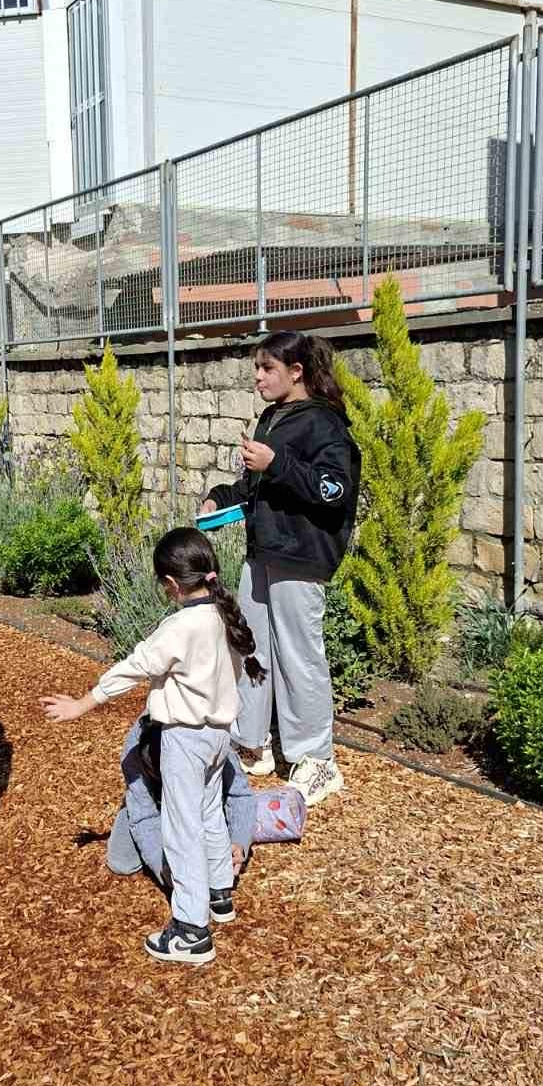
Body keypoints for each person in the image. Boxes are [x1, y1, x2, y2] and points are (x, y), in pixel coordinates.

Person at [42, 527, 264, 966]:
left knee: (181, 829)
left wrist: (84, 702)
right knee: (208, 813)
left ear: (170, 584)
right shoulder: (224, 614)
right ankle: (219, 893)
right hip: (219, 737)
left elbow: (135, 666)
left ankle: (192, 931)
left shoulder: (180, 627)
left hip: (185, 738)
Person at [201, 330, 359, 808]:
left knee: (298, 656)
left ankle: (316, 761)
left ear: (297, 372)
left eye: (267, 368)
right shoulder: (272, 417)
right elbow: (256, 487)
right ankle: (253, 744)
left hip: (301, 555)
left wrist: (277, 463)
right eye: (256, 367)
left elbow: (334, 490)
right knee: (250, 646)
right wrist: (220, 498)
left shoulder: (325, 423)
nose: (257, 376)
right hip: (263, 551)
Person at [107, 720, 256, 899]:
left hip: (203, 792)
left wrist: (239, 841)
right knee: (122, 861)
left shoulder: (213, 735)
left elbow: (240, 794)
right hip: (155, 798)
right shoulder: (133, 751)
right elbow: (145, 817)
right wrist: (164, 868)